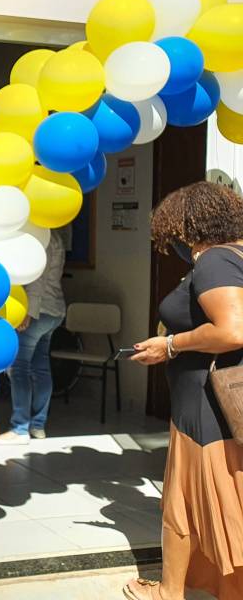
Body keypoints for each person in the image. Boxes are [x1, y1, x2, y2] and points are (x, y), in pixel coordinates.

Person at [123, 181, 243, 600]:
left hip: (207, 408)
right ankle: (173, 588)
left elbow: (232, 330)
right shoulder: (236, 256)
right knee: (204, 505)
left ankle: (169, 592)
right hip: (215, 405)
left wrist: (170, 344)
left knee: (189, 504)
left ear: (186, 227)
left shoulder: (214, 261)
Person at [0, 228, 68, 445]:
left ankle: (20, 428)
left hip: (38, 313)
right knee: (41, 368)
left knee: (19, 368)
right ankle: (38, 425)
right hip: (54, 310)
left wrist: (28, 312)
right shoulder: (56, 237)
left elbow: (37, 279)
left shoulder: (40, 238)